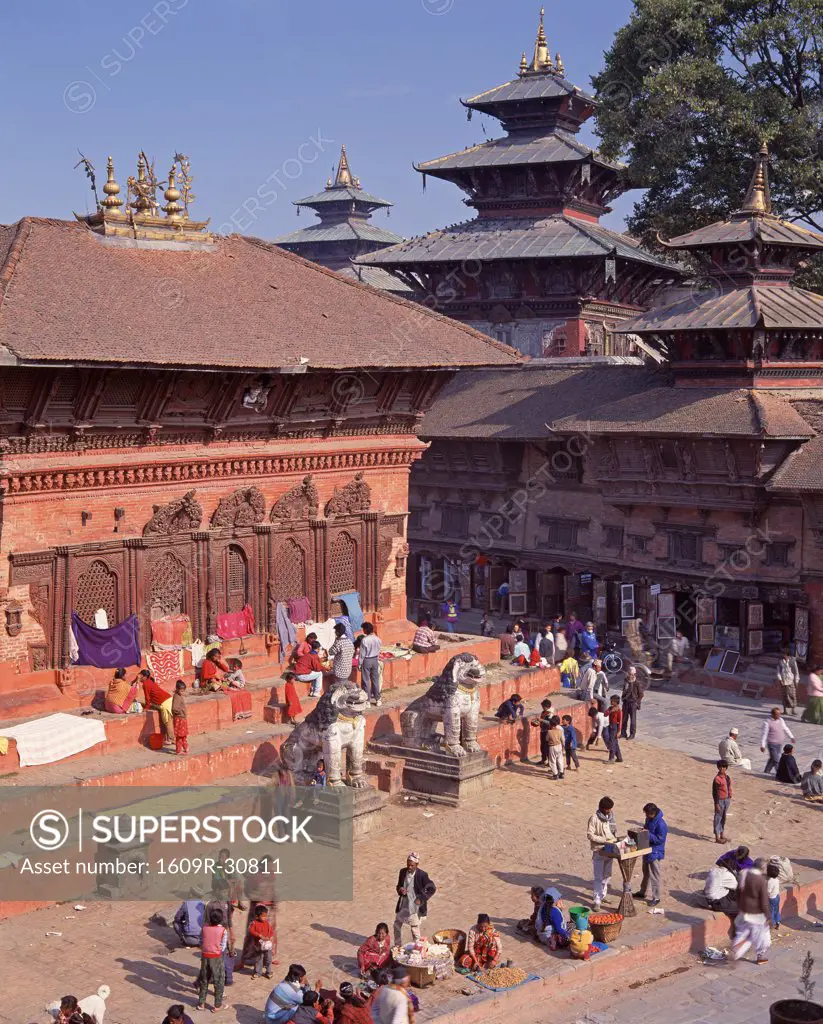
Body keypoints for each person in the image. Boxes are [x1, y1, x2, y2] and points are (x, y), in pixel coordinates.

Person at [731, 858, 771, 965]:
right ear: (762, 868)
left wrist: (740, 906)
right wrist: (768, 916)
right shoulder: (761, 880)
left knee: (743, 932)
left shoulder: (743, 874)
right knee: (760, 937)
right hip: (756, 913)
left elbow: (738, 892)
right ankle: (759, 956)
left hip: (743, 910)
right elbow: (764, 901)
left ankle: (735, 951)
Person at [393, 852, 436, 945]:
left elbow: (432, 888)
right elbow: (399, 886)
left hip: (415, 906)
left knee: (414, 929)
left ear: (417, 865)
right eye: (408, 865)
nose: (409, 867)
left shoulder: (422, 875)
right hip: (404, 904)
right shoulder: (402, 872)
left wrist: (421, 898)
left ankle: (418, 948)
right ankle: (397, 946)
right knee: (396, 925)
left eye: (412, 865)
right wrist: (400, 889)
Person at [587, 796, 618, 912]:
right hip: (599, 850)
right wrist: (603, 840)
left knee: (607, 875)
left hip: (610, 851)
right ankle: (597, 901)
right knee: (598, 877)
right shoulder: (594, 818)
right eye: (608, 809)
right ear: (602, 808)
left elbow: (614, 832)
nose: (609, 811)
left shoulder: (611, 818)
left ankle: (603, 895)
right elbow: (590, 835)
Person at [197, 906, 229, 1012]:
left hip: (205, 956)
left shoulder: (204, 928)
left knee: (204, 979)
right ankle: (217, 1005)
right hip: (216, 957)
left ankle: (201, 1003)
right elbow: (223, 946)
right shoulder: (223, 930)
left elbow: (201, 941)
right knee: (218, 980)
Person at [636, 803, 667, 907]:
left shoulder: (661, 824)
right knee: (645, 873)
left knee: (654, 875)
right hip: (647, 849)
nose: (646, 816)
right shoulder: (648, 820)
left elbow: (660, 839)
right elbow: (646, 830)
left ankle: (656, 897)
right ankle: (642, 891)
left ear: (652, 813)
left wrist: (648, 834)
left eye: (647, 814)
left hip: (655, 852)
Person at [140, 669, 174, 746]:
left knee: (167, 722)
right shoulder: (149, 681)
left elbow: (147, 698)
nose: (140, 677)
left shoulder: (145, 684)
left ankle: (172, 739)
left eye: (141, 676)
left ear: (144, 676)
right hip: (168, 699)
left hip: (165, 703)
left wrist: (146, 708)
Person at [246, 903, 276, 980]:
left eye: (266, 916)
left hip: (267, 946)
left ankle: (268, 972)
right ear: (257, 916)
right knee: (258, 959)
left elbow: (271, 931)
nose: (265, 917)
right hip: (258, 946)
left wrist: (269, 937)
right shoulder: (254, 923)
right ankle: (257, 972)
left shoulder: (267, 923)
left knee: (268, 959)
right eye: (263, 916)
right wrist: (259, 935)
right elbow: (251, 931)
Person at [761, 708, 795, 774]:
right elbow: (764, 734)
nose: (779, 716)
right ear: (773, 714)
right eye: (777, 714)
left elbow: (785, 728)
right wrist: (762, 745)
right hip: (772, 744)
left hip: (779, 744)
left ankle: (766, 771)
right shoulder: (767, 722)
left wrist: (791, 737)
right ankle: (780, 774)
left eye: (779, 714)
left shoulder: (781, 720)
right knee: (776, 760)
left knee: (772, 758)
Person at [357, 622, 382, 706]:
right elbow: (379, 650)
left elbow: (362, 654)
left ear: (366, 630)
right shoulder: (378, 639)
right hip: (375, 659)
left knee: (366, 680)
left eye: (363, 629)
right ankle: (378, 699)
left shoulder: (364, 640)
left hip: (366, 660)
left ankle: (367, 700)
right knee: (375, 680)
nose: (363, 630)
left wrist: (359, 664)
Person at [620, 666, 644, 740]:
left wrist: (637, 702)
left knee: (633, 719)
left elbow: (641, 694)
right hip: (626, 701)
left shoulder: (637, 683)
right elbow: (624, 689)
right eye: (629, 674)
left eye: (632, 674)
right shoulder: (626, 680)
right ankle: (623, 733)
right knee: (624, 718)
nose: (630, 675)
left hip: (633, 703)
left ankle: (632, 734)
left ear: (635, 674)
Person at [712, 760, 733, 843]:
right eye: (720, 767)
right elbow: (715, 793)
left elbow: (729, 787)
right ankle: (717, 837)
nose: (722, 768)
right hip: (720, 800)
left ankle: (722, 834)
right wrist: (716, 804)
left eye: (724, 767)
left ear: (726, 768)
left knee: (723, 818)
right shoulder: (717, 779)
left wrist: (730, 796)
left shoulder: (727, 777)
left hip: (726, 800)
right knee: (718, 818)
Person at [775, 648, 800, 715]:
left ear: (788, 655)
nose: (784, 656)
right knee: (784, 695)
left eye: (786, 655)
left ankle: (793, 710)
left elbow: (796, 672)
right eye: (784, 655)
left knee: (793, 695)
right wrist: (780, 680)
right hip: (783, 680)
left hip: (791, 680)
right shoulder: (780, 661)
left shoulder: (793, 661)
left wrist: (796, 680)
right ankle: (785, 710)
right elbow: (778, 672)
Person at [530, 699, 553, 765]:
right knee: (542, 746)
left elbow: (550, 723)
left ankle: (549, 761)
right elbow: (542, 721)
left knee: (547, 747)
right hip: (542, 731)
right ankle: (543, 759)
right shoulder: (543, 712)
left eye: (543, 706)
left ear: (547, 706)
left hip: (548, 732)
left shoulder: (550, 714)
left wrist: (541, 720)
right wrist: (537, 722)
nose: (543, 708)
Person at [171, 679, 188, 756]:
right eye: (181, 691)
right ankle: (178, 750)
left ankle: (185, 747)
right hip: (179, 718)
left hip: (182, 718)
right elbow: (174, 708)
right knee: (179, 735)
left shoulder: (179, 696)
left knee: (183, 734)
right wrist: (181, 712)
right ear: (177, 689)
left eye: (183, 690)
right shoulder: (177, 697)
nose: (182, 692)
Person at [606, 695, 624, 763]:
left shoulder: (619, 710)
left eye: (612, 701)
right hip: (610, 725)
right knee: (615, 742)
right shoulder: (610, 708)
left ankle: (611, 758)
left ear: (616, 702)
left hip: (615, 727)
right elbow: (605, 714)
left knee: (612, 742)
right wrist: (611, 711)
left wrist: (619, 731)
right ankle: (619, 758)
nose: (611, 702)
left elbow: (620, 721)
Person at [767, 861, 782, 935]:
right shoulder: (777, 880)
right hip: (777, 896)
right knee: (776, 910)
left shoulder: (770, 881)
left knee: (771, 912)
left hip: (771, 898)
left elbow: (768, 891)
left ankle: (771, 924)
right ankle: (778, 922)